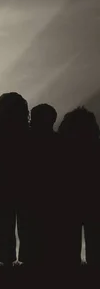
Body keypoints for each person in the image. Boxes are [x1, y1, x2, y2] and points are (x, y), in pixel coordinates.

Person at [0, 92, 31, 265]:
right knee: (27, 227)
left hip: (2, 187)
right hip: (27, 186)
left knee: (4, 229)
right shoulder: (29, 134)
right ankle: (27, 261)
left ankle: (6, 261)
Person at [56, 107, 100, 266]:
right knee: (95, 243)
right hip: (93, 200)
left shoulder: (61, 151)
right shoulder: (95, 148)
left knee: (69, 246)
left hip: (70, 201)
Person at [25, 104, 60, 265]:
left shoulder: (25, 140)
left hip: (32, 193)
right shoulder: (59, 141)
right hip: (51, 194)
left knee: (31, 229)